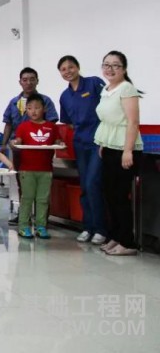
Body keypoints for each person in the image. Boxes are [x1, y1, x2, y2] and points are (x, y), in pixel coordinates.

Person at [94, 51, 143, 256]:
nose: (110, 69)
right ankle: (115, 236)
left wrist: (128, 150)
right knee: (109, 194)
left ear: (124, 69)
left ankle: (127, 242)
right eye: (106, 65)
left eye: (115, 65)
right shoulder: (106, 89)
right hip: (110, 147)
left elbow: (132, 122)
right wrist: (104, 143)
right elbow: (108, 120)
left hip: (125, 148)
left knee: (120, 196)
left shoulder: (126, 88)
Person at [58, 56, 107, 244]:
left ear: (78, 67)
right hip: (80, 144)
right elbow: (68, 123)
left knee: (93, 183)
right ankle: (88, 227)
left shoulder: (94, 83)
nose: (68, 71)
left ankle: (101, 229)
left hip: (98, 142)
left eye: (71, 67)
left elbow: (109, 106)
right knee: (85, 186)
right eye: (63, 69)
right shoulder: (65, 96)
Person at [1, 67, 59, 223]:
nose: (28, 83)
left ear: (37, 81)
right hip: (19, 149)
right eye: (25, 80)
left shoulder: (46, 101)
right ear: (20, 82)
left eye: (32, 79)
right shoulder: (14, 102)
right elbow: (8, 124)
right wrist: (4, 144)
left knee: (43, 185)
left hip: (41, 150)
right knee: (23, 183)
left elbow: (52, 124)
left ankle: (42, 219)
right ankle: (24, 216)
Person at [12, 94, 64, 239]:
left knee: (43, 199)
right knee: (27, 198)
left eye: (37, 108)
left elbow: (58, 141)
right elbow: (18, 140)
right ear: (26, 110)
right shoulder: (23, 126)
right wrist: (15, 143)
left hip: (46, 170)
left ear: (44, 109)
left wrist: (60, 144)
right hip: (27, 169)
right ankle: (23, 226)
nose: (33, 111)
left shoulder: (51, 127)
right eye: (30, 108)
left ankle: (41, 226)